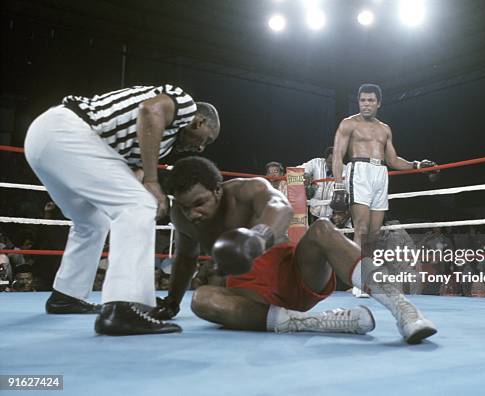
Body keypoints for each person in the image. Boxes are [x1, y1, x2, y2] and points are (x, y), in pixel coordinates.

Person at [151, 156, 437, 343]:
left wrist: (257, 238)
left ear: (216, 189)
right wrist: (172, 302)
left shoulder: (248, 190)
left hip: (295, 272)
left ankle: (405, 310)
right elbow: (186, 259)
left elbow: (281, 208)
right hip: (252, 298)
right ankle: (316, 323)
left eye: (198, 203)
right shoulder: (181, 216)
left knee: (323, 228)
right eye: (185, 207)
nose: (192, 214)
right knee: (201, 300)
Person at [24, 84, 220, 335]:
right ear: (199, 121)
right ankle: (123, 307)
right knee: (138, 205)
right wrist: (151, 182)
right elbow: (150, 110)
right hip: (67, 132)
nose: (201, 148)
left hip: (45, 140)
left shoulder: (161, 145)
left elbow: (129, 173)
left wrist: (147, 185)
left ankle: (67, 295)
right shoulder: (185, 103)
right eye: (207, 139)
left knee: (92, 221)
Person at [330, 84, 437, 296]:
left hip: (380, 173)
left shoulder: (384, 129)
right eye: (362, 100)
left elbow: (393, 160)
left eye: (370, 100)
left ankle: (367, 278)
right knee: (360, 228)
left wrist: (416, 165)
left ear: (378, 103)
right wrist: (339, 184)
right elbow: (337, 155)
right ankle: (358, 281)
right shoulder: (348, 123)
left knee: (374, 233)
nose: (366, 104)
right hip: (358, 171)